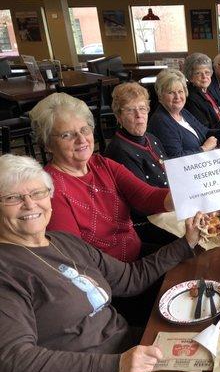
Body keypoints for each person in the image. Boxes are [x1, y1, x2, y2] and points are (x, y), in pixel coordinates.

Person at [0, 154, 204, 372]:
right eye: (12, 198)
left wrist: (186, 243)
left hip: (132, 350)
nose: (30, 204)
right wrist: (116, 367)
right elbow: (14, 365)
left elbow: (130, 278)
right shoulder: (6, 270)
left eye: (38, 193)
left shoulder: (64, 242)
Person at [29, 92, 173, 263]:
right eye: (67, 135)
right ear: (47, 145)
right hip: (109, 277)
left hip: (136, 253)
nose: (81, 139)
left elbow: (146, 196)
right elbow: (77, 259)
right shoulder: (50, 190)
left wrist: (187, 194)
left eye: (84, 130)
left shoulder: (102, 164)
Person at [104, 82, 176, 246]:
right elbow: (141, 205)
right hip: (150, 221)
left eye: (142, 108)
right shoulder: (119, 150)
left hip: (170, 205)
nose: (139, 115)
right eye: (130, 110)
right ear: (118, 117)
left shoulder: (151, 138)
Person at [147, 69, 220, 158]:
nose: (177, 97)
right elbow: (175, 158)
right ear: (160, 96)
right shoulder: (161, 121)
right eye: (171, 92)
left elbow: (205, 132)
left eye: (180, 91)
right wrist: (203, 149)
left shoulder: (182, 112)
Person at [183, 52, 220, 131]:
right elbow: (207, 129)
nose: (204, 77)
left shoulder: (205, 92)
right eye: (198, 73)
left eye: (207, 72)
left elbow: (216, 118)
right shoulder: (191, 98)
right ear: (190, 76)